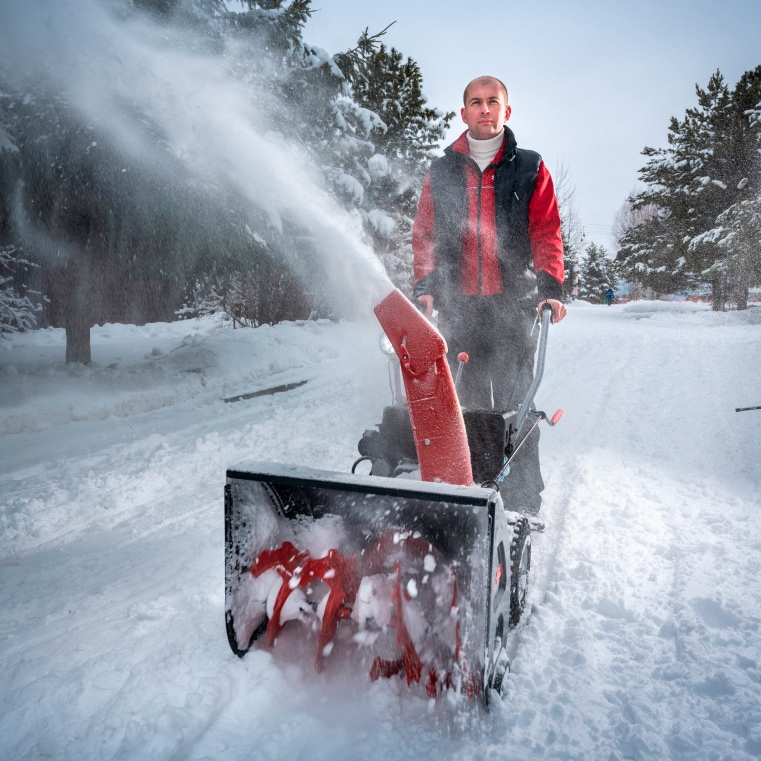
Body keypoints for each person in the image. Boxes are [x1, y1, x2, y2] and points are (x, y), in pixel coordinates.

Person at [411, 75, 566, 515]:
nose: (484, 109)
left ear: (506, 111)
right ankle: (465, 490)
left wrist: (550, 289)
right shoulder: (441, 171)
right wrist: (425, 288)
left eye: (492, 102)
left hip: (514, 307)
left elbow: (546, 232)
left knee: (517, 402)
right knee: (463, 400)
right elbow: (424, 235)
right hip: (459, 307)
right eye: (475, 102)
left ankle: (522, 501)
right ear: (463, 113)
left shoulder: (530, 167)